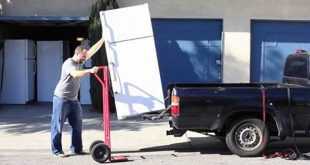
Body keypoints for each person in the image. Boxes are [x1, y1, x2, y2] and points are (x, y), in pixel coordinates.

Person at [51, 37, 104, 157]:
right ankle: (57, 151)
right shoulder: (69, 63)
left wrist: (103, 39)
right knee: (57, 125)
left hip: (74, 100)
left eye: (85, 57)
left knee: (77, 125)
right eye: (83, 57)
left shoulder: (81, 60)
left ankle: (76, 149)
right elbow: (75, 74)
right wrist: (90, 70)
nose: (85, 59)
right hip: (61, 99)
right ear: (77, 53)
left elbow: (92, 50)